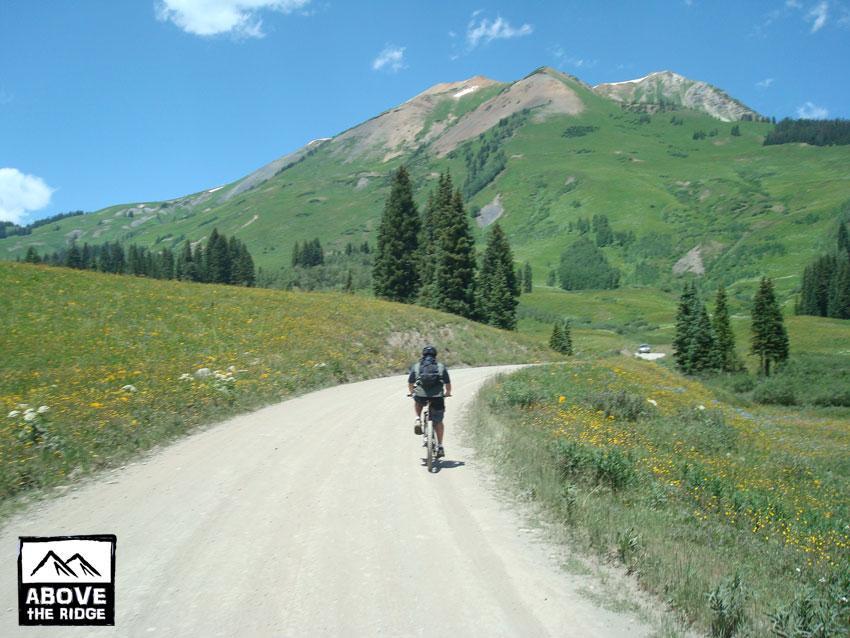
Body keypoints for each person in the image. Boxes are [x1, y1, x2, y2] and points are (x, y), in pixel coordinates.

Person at [408, 345, 451, 458]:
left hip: (421, 395)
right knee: (439, 421)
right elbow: (448, 384)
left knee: (417, 400)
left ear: (423, 355)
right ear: (435, 355)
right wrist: (447, 393)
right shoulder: (441, 366)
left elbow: (410, 382)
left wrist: (412, 392)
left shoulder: (417, 366)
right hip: (437, 397)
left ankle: (418, 419)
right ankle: (440, 446)